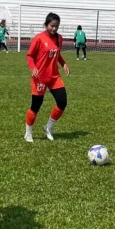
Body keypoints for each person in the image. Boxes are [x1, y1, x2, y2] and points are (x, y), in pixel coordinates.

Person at [25, 12, 71, 142]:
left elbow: (57, 54)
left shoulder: (59, 38)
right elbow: (29, 56)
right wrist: (33, 68)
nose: (54, 28)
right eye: (52, 26)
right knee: (36, 106)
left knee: (62, 102)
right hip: (40, 77)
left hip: (54, 76)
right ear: (46, 24)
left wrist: (63, 64)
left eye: (56, 26)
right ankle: (28, 133)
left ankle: (48, 127)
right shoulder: (38, 38)